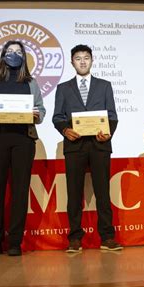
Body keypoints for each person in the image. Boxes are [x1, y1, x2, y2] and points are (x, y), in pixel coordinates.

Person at [0, 40, 45, 256]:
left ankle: (15, 242)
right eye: (10, 51)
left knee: (20, 191)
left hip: (24, 140)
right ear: (3, 54)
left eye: (18, 52)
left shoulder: (31, 82)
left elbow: (41, 112)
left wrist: (36, 114)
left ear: (24, 57)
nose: (14, 54)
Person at [52, 44, 122, 253]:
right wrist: (65, 130)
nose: (82, 61)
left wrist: (108, 132)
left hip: (100, 145)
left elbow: (112, 116)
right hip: (74, 146)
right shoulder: (63, 88)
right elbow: (57, 117)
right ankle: (75, 238)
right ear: (72, 62)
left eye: (86, 58)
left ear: (92, 60)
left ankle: (107, 237)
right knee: (74, 194)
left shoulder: (105, 85)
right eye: (78, 58)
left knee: (103, 192)